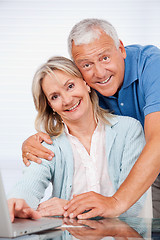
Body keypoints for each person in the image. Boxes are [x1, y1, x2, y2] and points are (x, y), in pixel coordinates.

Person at [21, 18, 160, 218]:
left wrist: (115, 202)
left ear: (120, 49)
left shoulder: (153, 65)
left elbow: (157, 141)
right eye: (86, 65)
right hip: (147, 170)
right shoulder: (86, 90)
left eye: (105, 58)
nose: (99, 73)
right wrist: (30, 144)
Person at [8, 56, 147, 222]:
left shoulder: (129, 130)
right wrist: (16, 202)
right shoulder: (49, 145)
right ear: (50, 106)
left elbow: (133, 203)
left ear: (86, 84)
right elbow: (28, 186)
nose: (67, 100)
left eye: (70, 86)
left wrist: (68, 207)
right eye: (55, 97)